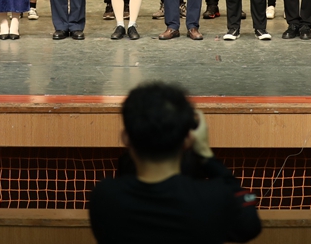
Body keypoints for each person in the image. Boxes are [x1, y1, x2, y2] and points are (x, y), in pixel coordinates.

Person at [88, 82, 261, 244]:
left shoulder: (105, 197)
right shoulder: (212, 199)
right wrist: (206, 154)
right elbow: (249, 223)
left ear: (125, 137)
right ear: (188, 140)